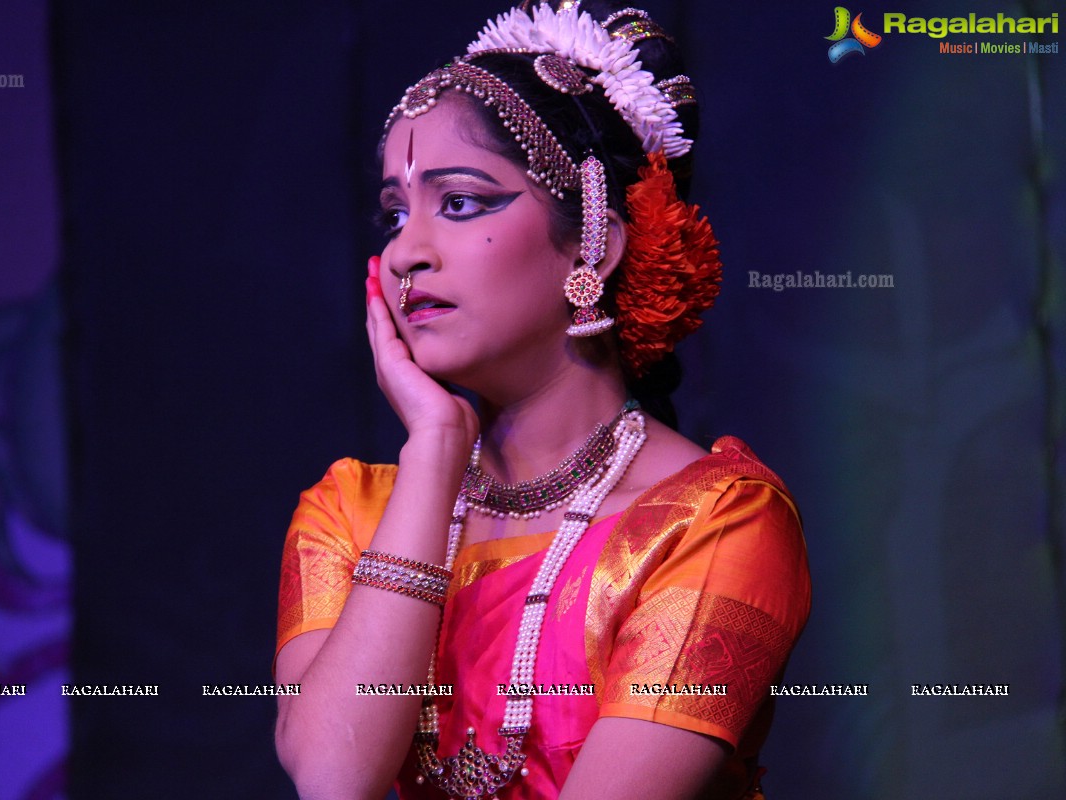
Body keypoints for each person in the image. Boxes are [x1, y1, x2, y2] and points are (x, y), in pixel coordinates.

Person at [273, 2, 811, 798]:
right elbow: (331, 777)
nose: (404, 254)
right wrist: (432, 449)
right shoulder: (351, 514)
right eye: (393, 214)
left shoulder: (714, 523)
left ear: (593, 239)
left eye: (459, 203)